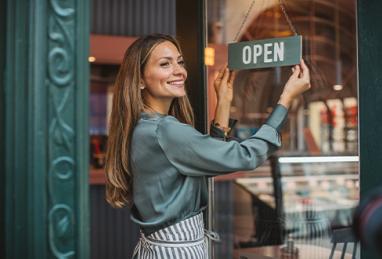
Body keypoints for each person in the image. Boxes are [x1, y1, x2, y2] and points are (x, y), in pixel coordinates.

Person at [105, 33, 311, 259]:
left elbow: (211, 158)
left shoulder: (144, 126)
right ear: (140, 80)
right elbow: (246, 156)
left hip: (160, 248)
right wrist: (285, 100)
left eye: (180, 62)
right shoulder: (165, 131)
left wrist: (223, 101)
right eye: (165, 64)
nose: (179, 71)